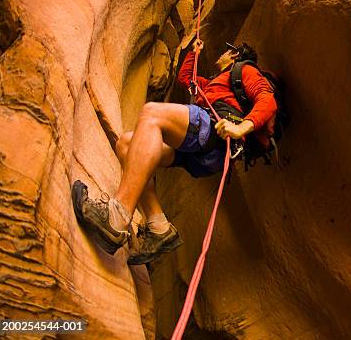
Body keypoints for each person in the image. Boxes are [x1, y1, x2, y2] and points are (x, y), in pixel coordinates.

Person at [72, 37, 277, 264]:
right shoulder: (213, 83)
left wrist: (240, 128)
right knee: (127, 143)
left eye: (226, 51)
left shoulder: (244, 70)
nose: (221, 54)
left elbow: (267, 100)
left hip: (214, 132)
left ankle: (116, 217)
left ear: (235, 55)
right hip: (203, 151)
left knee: (152, 114)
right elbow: (186, 79)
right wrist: (193, 52)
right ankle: (158, 227)